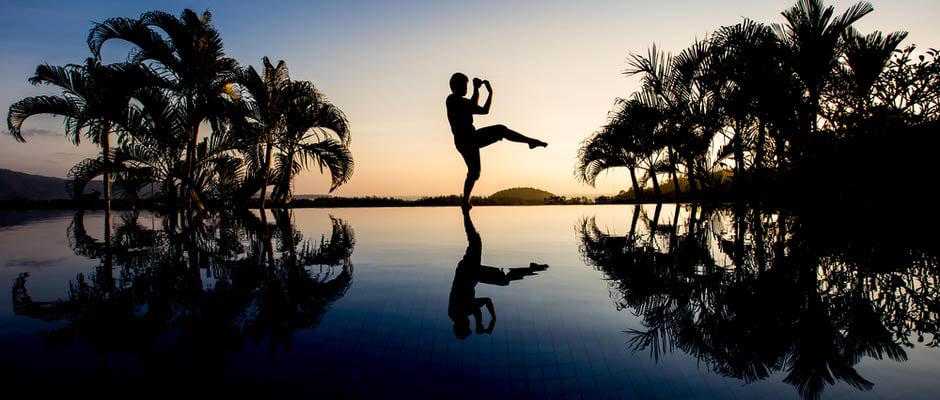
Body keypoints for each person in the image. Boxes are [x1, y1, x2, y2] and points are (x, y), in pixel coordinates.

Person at [446, 72, 548, 209]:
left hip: (471, 138)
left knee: (474, 172)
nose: (466, 88)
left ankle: (465, 201)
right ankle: (530, 142)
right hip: (466, 140)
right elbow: (473, 106)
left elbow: (484, 110)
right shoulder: (452, 100)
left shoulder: (463, 102)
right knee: (500, 130)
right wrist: (477, 89)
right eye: (465, 85)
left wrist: (490, 93)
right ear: (455, 86)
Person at [448, 207, 549, 339]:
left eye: (467, 326)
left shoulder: (457, 312)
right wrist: (492, 319)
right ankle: (530, 268)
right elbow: (485, 302)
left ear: (461, 326)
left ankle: (465, 213)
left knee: (476, 242)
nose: (469, 324)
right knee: (502, 278)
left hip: (468, 272)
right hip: (471, 273)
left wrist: (480, 324)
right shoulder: (461, 313)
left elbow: (476, 310)